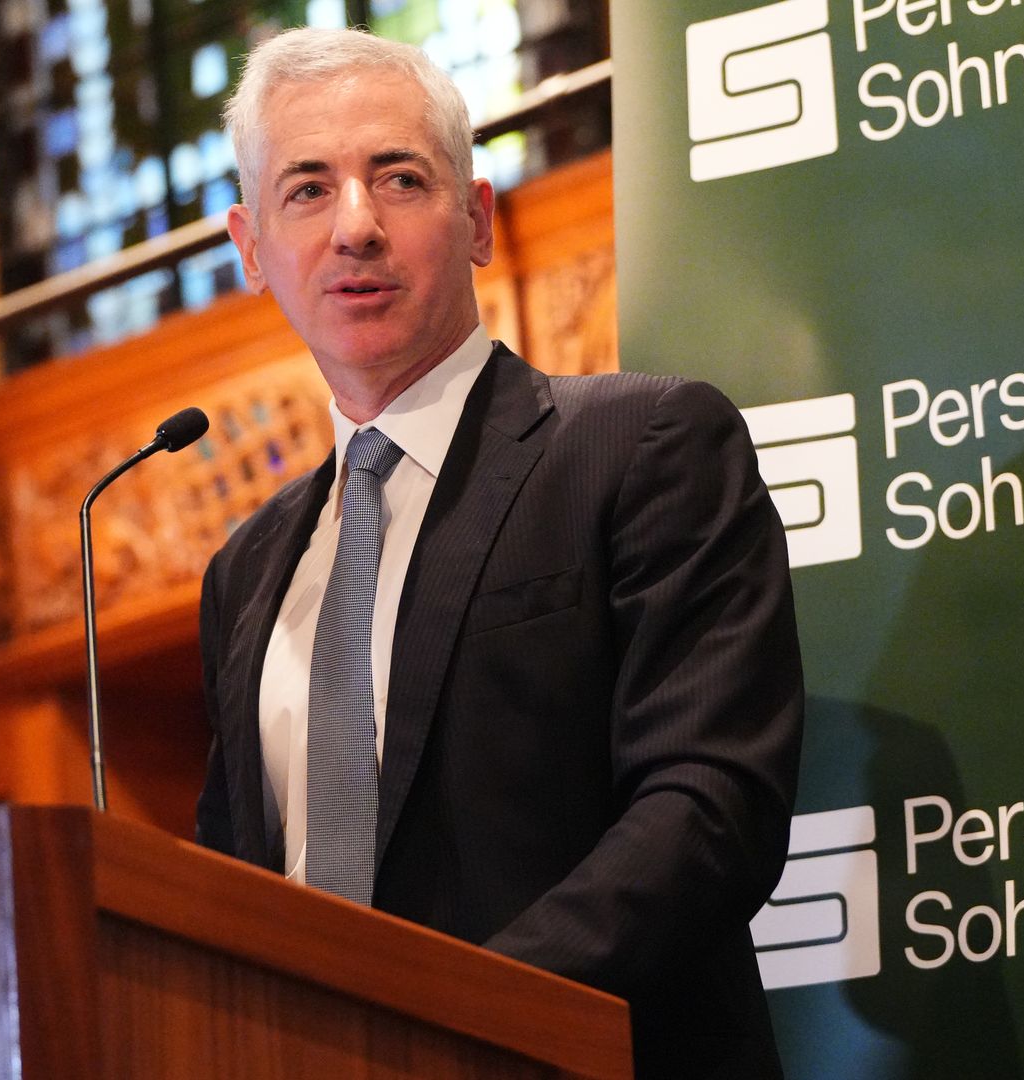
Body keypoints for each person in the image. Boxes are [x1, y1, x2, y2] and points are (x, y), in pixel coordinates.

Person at [194, 26, 805, 1079]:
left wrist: (447, 1030)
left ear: (476, 218)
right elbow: (232, 893)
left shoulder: (642, 448)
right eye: (308, 189)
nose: (355, 227)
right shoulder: (243, 576)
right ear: (251, 249)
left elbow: (710, 806)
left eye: (399, 178)